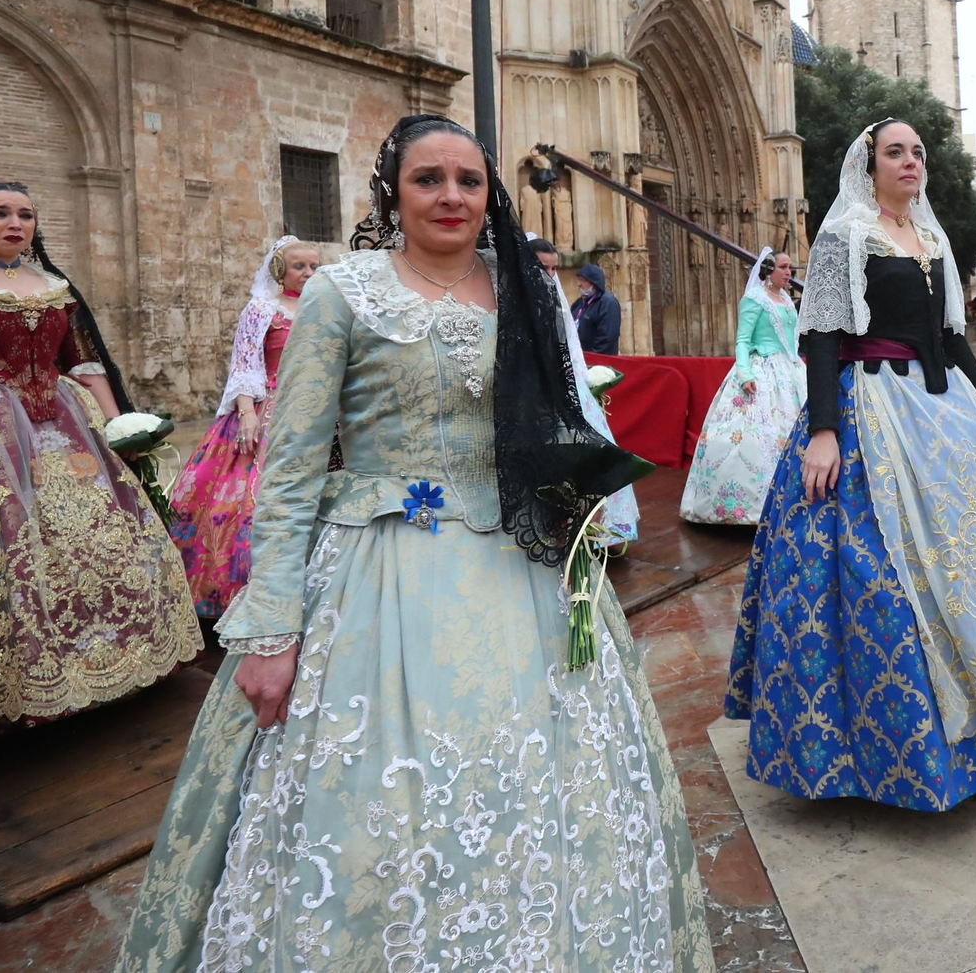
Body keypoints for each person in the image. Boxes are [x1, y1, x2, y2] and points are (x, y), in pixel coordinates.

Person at [114, 116, 712, 970]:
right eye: (429, 178)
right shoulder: (343, 292)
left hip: (522, 574)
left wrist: (584, 523)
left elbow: (563, 421)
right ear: (393, 189)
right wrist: (273, 627)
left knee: (538, 795)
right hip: (379, 575)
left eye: (469, 180)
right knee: (388, 808)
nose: (452, 196)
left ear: (489, 193)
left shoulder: (526, 291)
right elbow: (290, 471)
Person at [724, 119, 976, 809]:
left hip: (941, 409)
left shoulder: (933, 238)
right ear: (869, 164)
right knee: (881, 570)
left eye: (916, 152)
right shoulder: (845, 235)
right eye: (895, 152)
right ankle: (876, 750)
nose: (910, 161)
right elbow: (821, 334)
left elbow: (950, 336)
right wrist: (824, 430)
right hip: (869, 406)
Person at [0, 181, 199, 753]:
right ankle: (8, 692)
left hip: (70, 431)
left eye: (25, 214)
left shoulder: (56, 286)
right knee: (3, 550)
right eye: (0, 213)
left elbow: (87, 365)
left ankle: (109, 666)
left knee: (100, 546)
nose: (15, 223)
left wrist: (122, 434)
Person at [167, 236, 320, 620]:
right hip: (270, 408)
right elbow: (245, 363)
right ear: (280, 269)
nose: (308, 274)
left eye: (315, 267)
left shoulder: (322, 306)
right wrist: (248, 413)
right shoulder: (262, 309)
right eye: (300, 266)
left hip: (318, 410)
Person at [680, 248, 803, 525]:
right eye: (783, 267)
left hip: (788, 370)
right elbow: (743, 340)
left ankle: (792, 501)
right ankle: (749, 508)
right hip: (761, 370)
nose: (788, 273)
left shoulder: (784, 298)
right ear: (768, 271)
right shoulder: (754, 299)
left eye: (789, 268)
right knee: (750, 437)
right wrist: (745, 373)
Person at [529, 237, 639, 545]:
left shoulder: (600, 303)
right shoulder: (573, 304)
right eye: (543, 267)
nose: (551, 276)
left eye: (554, 268)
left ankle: (592, 528)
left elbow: (577, 342)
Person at [573, 260, 621, 355]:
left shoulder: (608, 303)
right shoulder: (579, 303)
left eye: (582, 280)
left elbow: (607, 338)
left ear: (594, 282)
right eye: (578, 280)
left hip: (599, 363)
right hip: (580, 360)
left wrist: (592, 358)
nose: (579, 284)